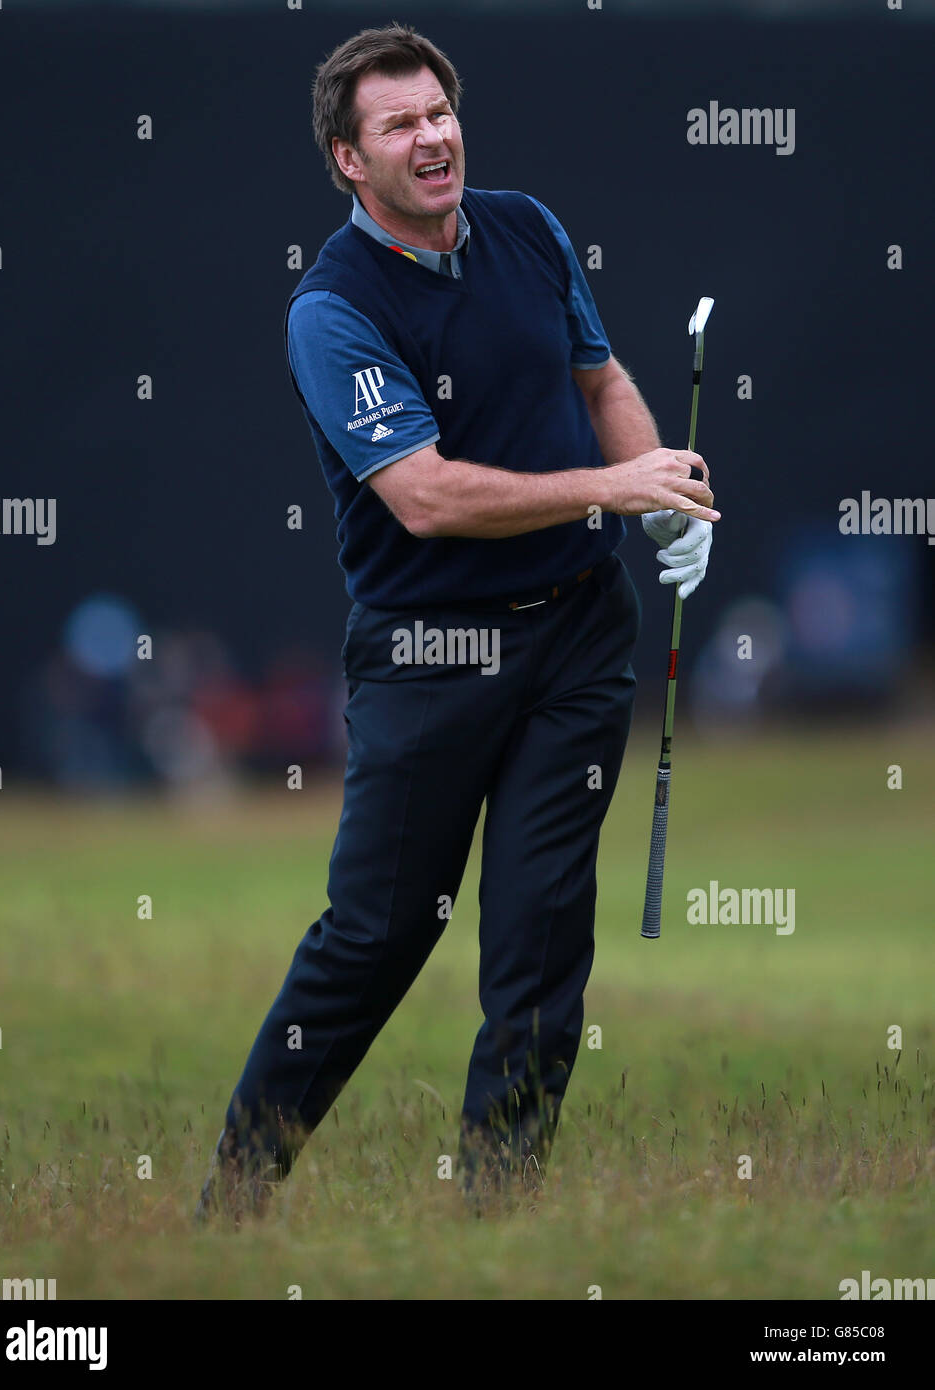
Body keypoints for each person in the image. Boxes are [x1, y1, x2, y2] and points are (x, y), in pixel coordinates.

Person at [196, 22, 718, 1223]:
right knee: (372, 939)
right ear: (348, 159)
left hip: (580, 632)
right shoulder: (331, 310)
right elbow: (423, 497)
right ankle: (234, 1201)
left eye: (439, 111)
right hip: (431, 653)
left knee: (539, 936)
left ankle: (498, 1217)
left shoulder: (527, 229)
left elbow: (599, 378)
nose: (432, 137)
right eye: (399, 124)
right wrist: (611, 489)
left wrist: (662, 498)